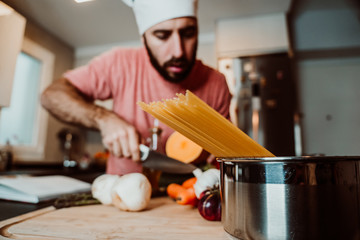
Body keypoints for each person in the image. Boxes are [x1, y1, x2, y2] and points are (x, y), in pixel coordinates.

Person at [41, 0, 231, 175]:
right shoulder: (119, 63)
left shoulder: (216, 83)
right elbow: (52, 95)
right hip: (123, 195)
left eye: (188, 33)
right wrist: (103, 118)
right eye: (162, 36)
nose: (178, 51)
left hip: (189, 196)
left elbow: (223, 154)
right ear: (144, 38)